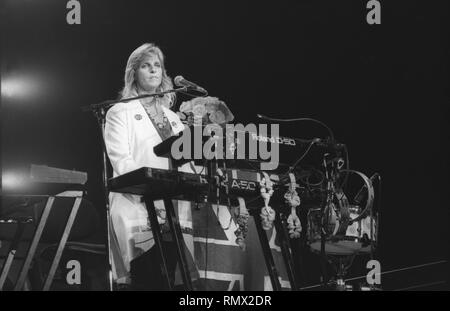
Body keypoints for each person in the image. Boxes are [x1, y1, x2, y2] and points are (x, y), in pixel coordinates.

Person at [104, 43, 197, 290]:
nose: (153, 71)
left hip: (174, 207)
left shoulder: (174, 118)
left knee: (171, 280)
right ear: (134, 73)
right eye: (146, 66)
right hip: (138, 203)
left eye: (157, 66)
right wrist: (152, 188)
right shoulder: (119, 112)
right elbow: (122, 160)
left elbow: (186, 163)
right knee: (144, 280)